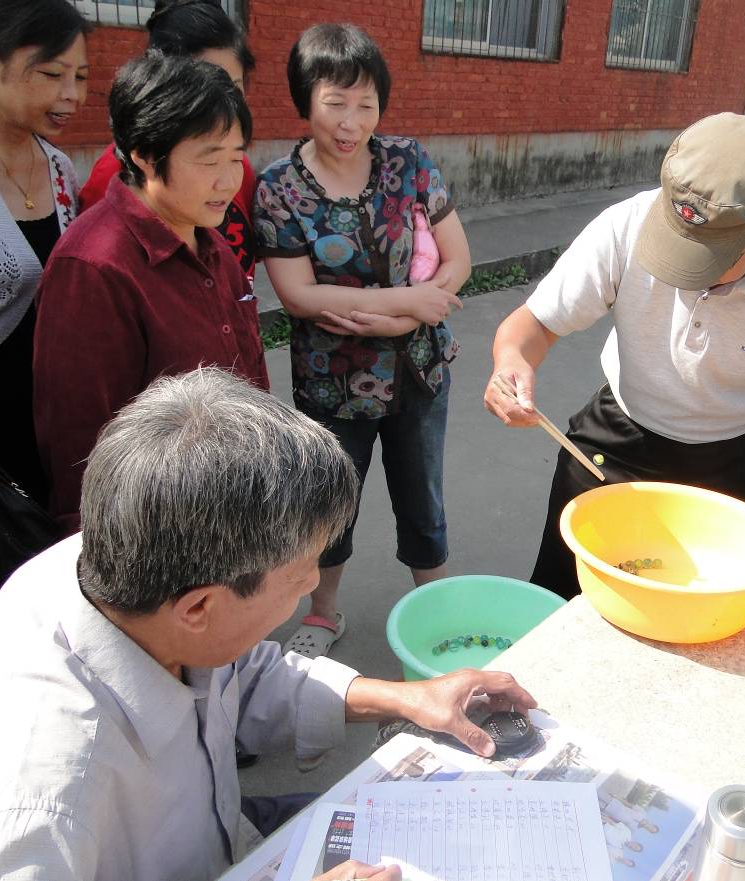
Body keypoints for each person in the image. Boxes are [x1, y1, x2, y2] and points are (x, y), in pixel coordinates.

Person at [0, 367, 537, 881]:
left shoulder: (126, 560)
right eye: (299, 574)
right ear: (199, 608)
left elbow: (239, 670)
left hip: (224, 829)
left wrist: (404, 697)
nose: (313, 585)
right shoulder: (37, 806)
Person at [486, 113, 745, 597]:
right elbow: (534, 324)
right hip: (616, 437)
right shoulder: (627, 224)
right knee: (564, 597)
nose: (686, 275)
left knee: (701, 609)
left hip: (726, 459)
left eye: (710, 259)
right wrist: (511, 362)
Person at [254, 23, 471, 659]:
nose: (351, 123)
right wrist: (405, 303)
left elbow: (457, 259)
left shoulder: (410, 162)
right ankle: (323, 613)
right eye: (335, 103)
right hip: (332, 382)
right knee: (329, 504)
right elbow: (300, 295)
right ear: (305, 100)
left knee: (422, 498)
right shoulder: (279, 188)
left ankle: (439, 611)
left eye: (366, 104)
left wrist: (408, 321)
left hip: (419, 370)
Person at [33, 51, 267, 532]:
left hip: (234, 509)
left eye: (236, 157)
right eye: (209, 159)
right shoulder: (94, 267)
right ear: (143, 154)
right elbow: (80, 444)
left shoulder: (211, 241)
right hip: (159, 530)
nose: (229, 181)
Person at [0, 0, 89, 505]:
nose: (71, 95)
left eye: (80, 77)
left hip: (43, 423)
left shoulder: (61, 170)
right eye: (52, 74)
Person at [78, 0, 258, 285]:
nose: (221, 103)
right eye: (203, 86)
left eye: (232, 87)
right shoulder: (118, 177)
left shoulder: (237, 167)